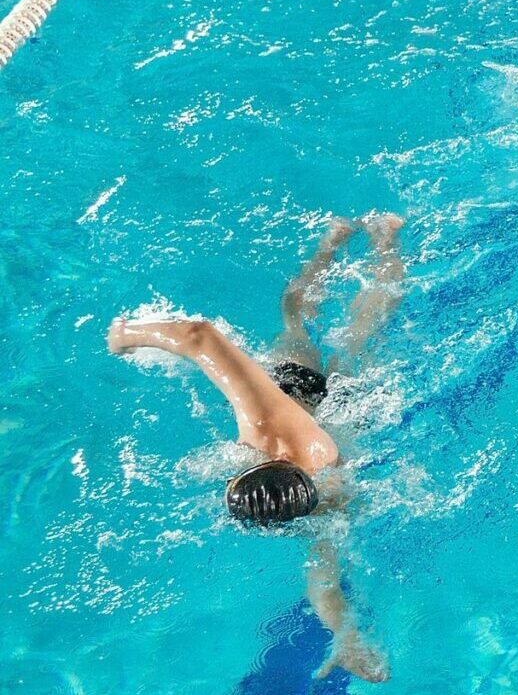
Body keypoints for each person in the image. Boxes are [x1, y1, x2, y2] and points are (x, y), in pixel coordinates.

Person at [107, 213, 406, 681]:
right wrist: (344, 635)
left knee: (326, 324)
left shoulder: (304, 468)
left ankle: (370, 237)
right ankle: (363, 237)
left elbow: (199, 334)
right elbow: (322, 578)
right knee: (342, 326)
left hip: (331, 405)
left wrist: (124, 332)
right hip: (327, 408)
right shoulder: (280, 449)